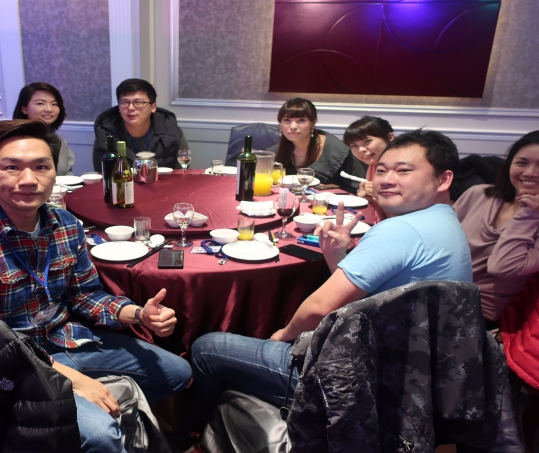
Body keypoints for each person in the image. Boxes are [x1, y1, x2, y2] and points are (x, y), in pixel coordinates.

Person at [0, 120, 192, 452]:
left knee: (176, 372)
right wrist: (73, 381)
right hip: (9, 366)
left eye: (41, 167)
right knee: (100, 435)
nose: (28, 180)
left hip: (63, 339)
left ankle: (67, 427)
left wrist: (138, 314)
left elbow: (85, 295)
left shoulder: (65, 223)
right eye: (11, 167)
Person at [190, 129, 472, 423]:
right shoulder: (445, 220)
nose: (387, 180)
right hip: (419, 376)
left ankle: (204, 429)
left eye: (404, 171)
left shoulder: (400, 230)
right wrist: (336, 255)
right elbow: (367, 296)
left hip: (364, 389)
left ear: (444, 179)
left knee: (207, 349)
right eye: (382, 170)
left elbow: (320, 308)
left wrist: (280, 337)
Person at [453, 130, 539, 323]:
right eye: (521, 163)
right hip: (430, 292)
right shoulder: (478, 195)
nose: (529, 173)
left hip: (474, 311)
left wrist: (529, 214)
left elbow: (502, 267)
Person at [268, 98, 367, 194]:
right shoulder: (278, 151)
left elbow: (356, 187)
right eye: (287, 120)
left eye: (301, 120)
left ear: (313, 123)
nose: (293, 126)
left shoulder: (337, 150)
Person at [92, 78, 188, 171]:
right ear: (119, 108)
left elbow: (180, 171)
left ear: (153, 107)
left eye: (138, 102)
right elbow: (102, 172)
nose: (130, 108)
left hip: (163, 182)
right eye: (125, 102)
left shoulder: (170, 130)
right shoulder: (106, 134)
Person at [13, 82, 76, 176]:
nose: (49, 109)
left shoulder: (59, 140)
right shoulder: (13, 141)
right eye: (40, 103)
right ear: (24, 109)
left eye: (54, 104)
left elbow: (67, 173)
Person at [343, 115, 395, 198]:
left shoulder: (403, 167)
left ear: (389, 138)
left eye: (367, 141)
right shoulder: (374, 165)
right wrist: (366, 196)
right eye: (354, 145)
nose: (361, 150)